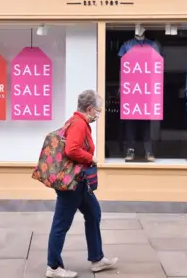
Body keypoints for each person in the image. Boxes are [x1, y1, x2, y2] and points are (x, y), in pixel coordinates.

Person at [46, 90, 118, 278]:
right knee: (61, 223)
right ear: (89, 108)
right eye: (98, 110)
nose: (98, 114)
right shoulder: (79, 124)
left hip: (79, 181)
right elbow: (72, 149)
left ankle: (97, 259)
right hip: (73, 184)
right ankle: (53, 267)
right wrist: (91, 159)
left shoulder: (77, 121)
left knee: (94, 213)